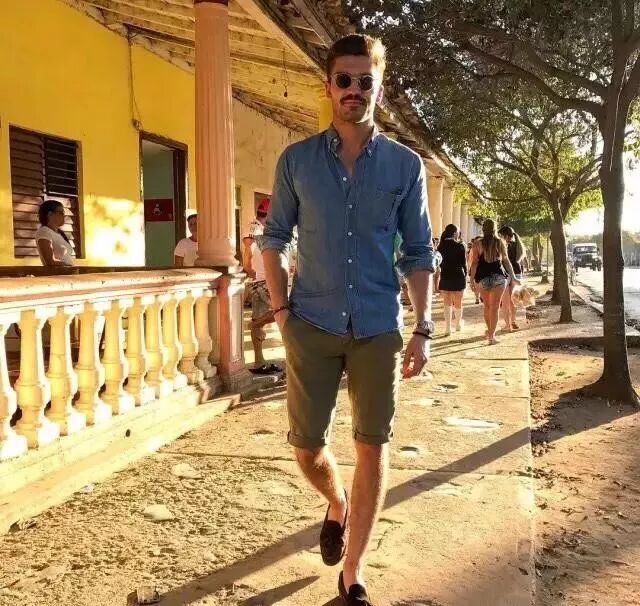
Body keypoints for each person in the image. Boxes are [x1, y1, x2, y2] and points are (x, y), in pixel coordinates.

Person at [259, 34, 435, 605]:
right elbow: (274, 239)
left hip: (378, 327)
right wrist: (281, 310)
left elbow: (418, 251)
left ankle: (353, 570)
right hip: (310, 323)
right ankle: (336, 501)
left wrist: (423, 327)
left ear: (378, 88)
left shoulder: (405, 166)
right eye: (344, 80)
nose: (354, 90)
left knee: (372, 446)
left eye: (365, 81)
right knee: (307, 447)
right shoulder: (297, 161)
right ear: (329, 86)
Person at [242, 198, 281, 374]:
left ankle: (259, 362)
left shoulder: (262, 228)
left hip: (264, 278)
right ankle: (255, 326)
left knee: (261, 318)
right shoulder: (254, 228)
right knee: (284, 311)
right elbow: (248, 250)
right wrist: (250, 271)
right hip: (263, 280)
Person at [469, 219, 520, 345]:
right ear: (495, 229)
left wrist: (471, 280)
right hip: (499, 278)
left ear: (483, 229)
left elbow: (474, 263)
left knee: (487, 306)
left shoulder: (477, 244)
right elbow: (506, 261)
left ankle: (490, 333)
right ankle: (492, 336)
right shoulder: (500, 242)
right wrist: (513, 276)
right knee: (495, 308)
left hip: (482, 278)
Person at [437, 224, 467, 335]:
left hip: (445, 276)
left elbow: (439, 263)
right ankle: (458, 324)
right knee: (458, 302)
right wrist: (466, 274)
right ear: (454, 233)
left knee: (447, 302)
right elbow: (464, 263)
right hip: (458, 275)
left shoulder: (440, 246)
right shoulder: (460, 246)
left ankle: (448, 328)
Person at [498, 225, 526, 331]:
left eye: (500, 235)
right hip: (517, 272)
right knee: (514, 300)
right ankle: (513, 321)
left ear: (504, 235)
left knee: (505, 302)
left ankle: (507, 325)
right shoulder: (518, 244)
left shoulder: (501, 245)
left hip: (505, 273)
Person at [36, 200, 74, 266]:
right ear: (50, 214)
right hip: (58, 272)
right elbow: (50, 262)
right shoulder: (44, 231)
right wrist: (68, 266)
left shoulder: (60, 233)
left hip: (68, 271)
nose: (64, 215)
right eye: (61, 213)